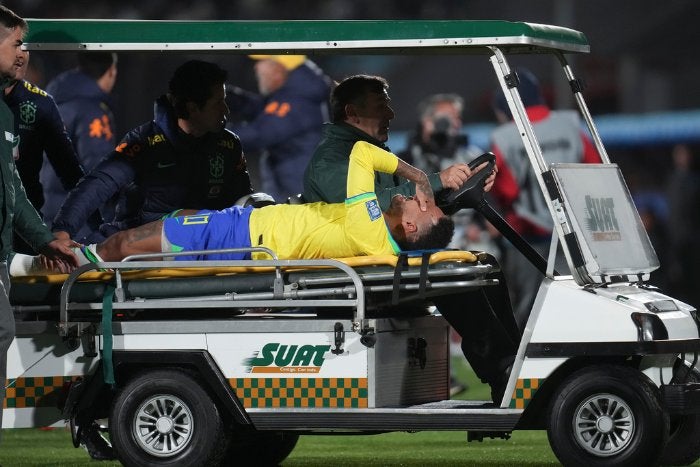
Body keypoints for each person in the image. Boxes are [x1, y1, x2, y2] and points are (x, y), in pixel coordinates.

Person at [302, 75, 518, 403]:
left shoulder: (374, 151)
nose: (390, 113)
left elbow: (409, 211)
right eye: (381, 105)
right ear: (352, 112)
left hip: (382, 262)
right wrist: (436, 180)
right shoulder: (331, 160)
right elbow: (373, 208)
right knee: (458, 277)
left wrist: (451, 192)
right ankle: (503, 372)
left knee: (484, 267)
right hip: (355, 270)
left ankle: (513, 365)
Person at [21, 140, 453, 272]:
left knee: (126, 242)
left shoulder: (369, 223)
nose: (419, 197)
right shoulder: (380, 236)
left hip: (245, 237)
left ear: (411, 229)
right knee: (177, 220)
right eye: (425, 196)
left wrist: (417, 175)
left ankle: (60, 265)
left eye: (424, 205)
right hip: (252, 228)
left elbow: (361, 151)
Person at [50, 60, 254, 244]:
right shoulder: (145, 142)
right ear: (192, 108)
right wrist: (63, 230)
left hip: (208, 246)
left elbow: (244, 201)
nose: (226, 110)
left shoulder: (228, 145)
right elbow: (100, 182)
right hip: (143, 248)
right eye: (218, 102)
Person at [0, 5, 79, 443]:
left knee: (10, 327)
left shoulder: (22, 110)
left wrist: (49, 237)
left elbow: (16, 189)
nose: (24, 53)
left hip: (11, 243)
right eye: (16, 43)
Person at [489, 67, 601, 329]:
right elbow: (594, 170)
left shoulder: (504, 137)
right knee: (580, 303)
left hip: (529, 238)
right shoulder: (570, 124)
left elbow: (507, 191)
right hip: (576, 235)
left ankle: (521, 366)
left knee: (530, 309)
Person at [3, 49, 86, 254]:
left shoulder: (41, 104)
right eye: (14, 45)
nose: (21, 55)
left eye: (24, 48)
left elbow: (70, 171)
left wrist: (88, 223)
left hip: (26, 230)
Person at [227, 55, 331, 202]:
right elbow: (262, 110)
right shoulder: (293, 93)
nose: (256, 67)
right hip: (296, 192)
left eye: (262, 62)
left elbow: (260, 134)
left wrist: (212, 133)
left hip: (302, 199)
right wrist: (225, 95)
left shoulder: (298, 100)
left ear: (279, 67)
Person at [41, 52, 119, 227]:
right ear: (111, 71)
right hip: (77, 218)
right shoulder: (92, 111)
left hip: (48, 208)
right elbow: (99, 167)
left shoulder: (55, 100)